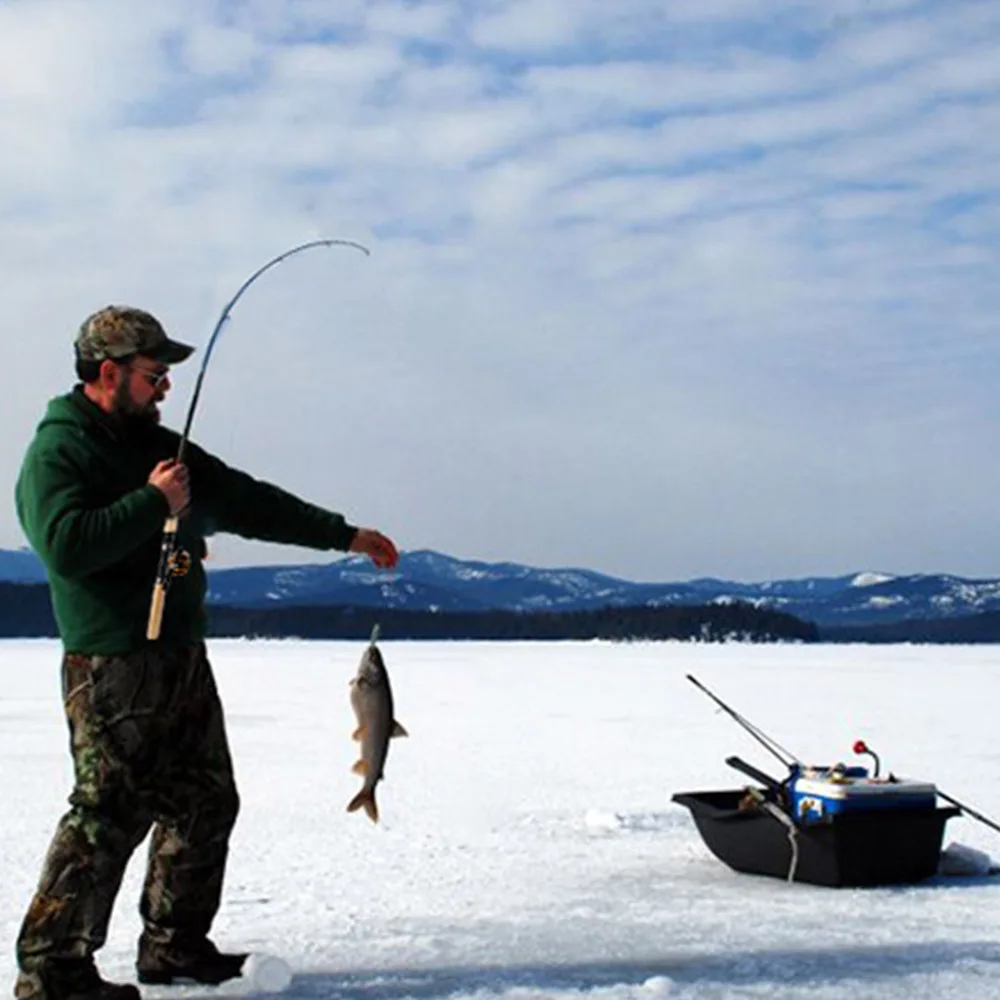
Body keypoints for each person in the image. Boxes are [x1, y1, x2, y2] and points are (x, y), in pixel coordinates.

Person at [12, 306, 400, 1000]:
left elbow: (249, 501)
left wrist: (345, 535)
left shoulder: (162, 447)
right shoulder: (59, 451)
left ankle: (174, 946)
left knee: (205, 801)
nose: (164, 387)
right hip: (112, 663)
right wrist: (150, 503)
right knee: (106, 813)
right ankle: (52, 969)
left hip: (180, 656)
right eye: (153, 374)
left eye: (165, 376)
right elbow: (66, 546)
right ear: (110, 373)